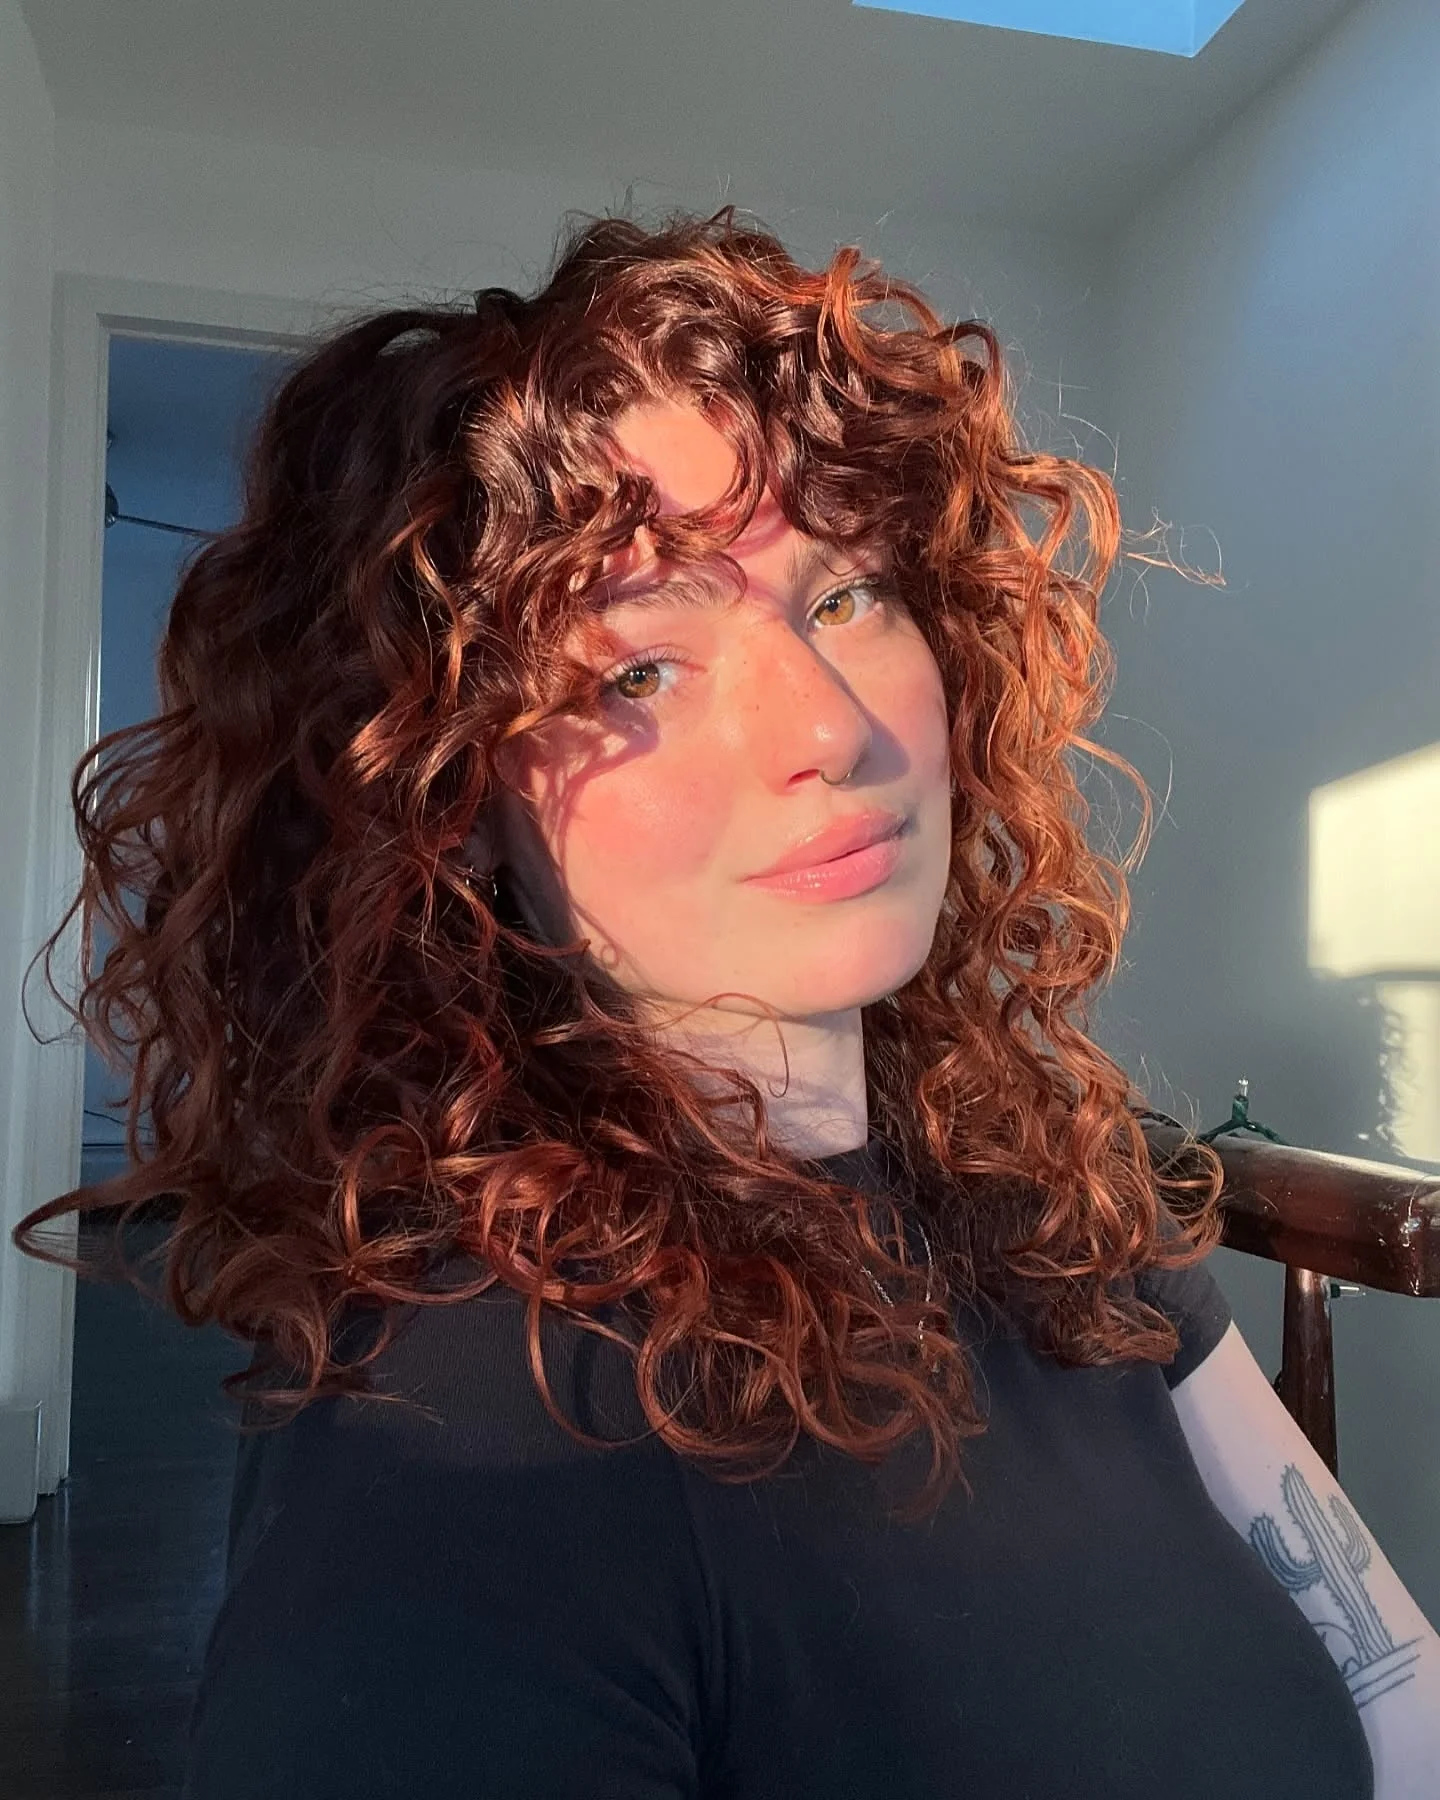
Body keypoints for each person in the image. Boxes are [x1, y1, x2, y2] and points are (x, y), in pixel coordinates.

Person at [15, 206, 1373, 1797]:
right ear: (450, 795)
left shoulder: (1058, 1185)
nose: (830, 729)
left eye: (848, 594)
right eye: (635, 673)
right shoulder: (465, 1463)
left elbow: (1390, 1678)